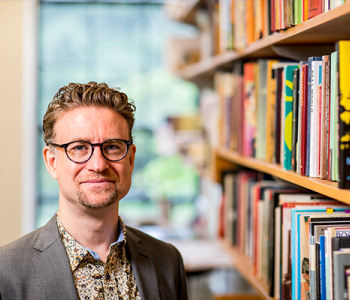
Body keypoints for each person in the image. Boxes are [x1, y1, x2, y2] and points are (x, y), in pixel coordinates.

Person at [0, 82, 188, 300]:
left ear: (131, 159)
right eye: (79, 147)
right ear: (52, 162)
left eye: (112, 146)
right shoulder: (6, 271)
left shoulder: (167, 260)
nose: (98, 165)